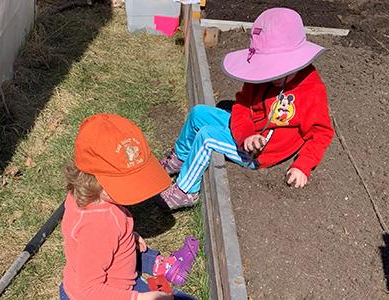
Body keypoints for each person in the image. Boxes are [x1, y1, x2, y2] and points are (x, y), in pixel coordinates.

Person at [157, 7, 334, 210]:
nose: (268, 73)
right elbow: (241, 106)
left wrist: (303, 165)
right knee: (198, 113)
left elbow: (321, 133)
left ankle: (186, 191)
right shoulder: (260, 76)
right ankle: (179, 158)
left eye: (274, 68)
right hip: (249, 135)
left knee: (207, 137)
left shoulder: (311, 91)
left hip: (262, 153)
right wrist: (246, 135)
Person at [59, 113, 199, 300]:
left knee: (142, 261)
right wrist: (140, 298)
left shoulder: (87, 199)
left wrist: (126, 236)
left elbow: (93, 244)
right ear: (94, 179)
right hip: (110, 293)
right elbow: (89, 291)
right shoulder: (100, 224)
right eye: (125, 181)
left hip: (101, 278)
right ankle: (166, 268)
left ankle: (160, 267)